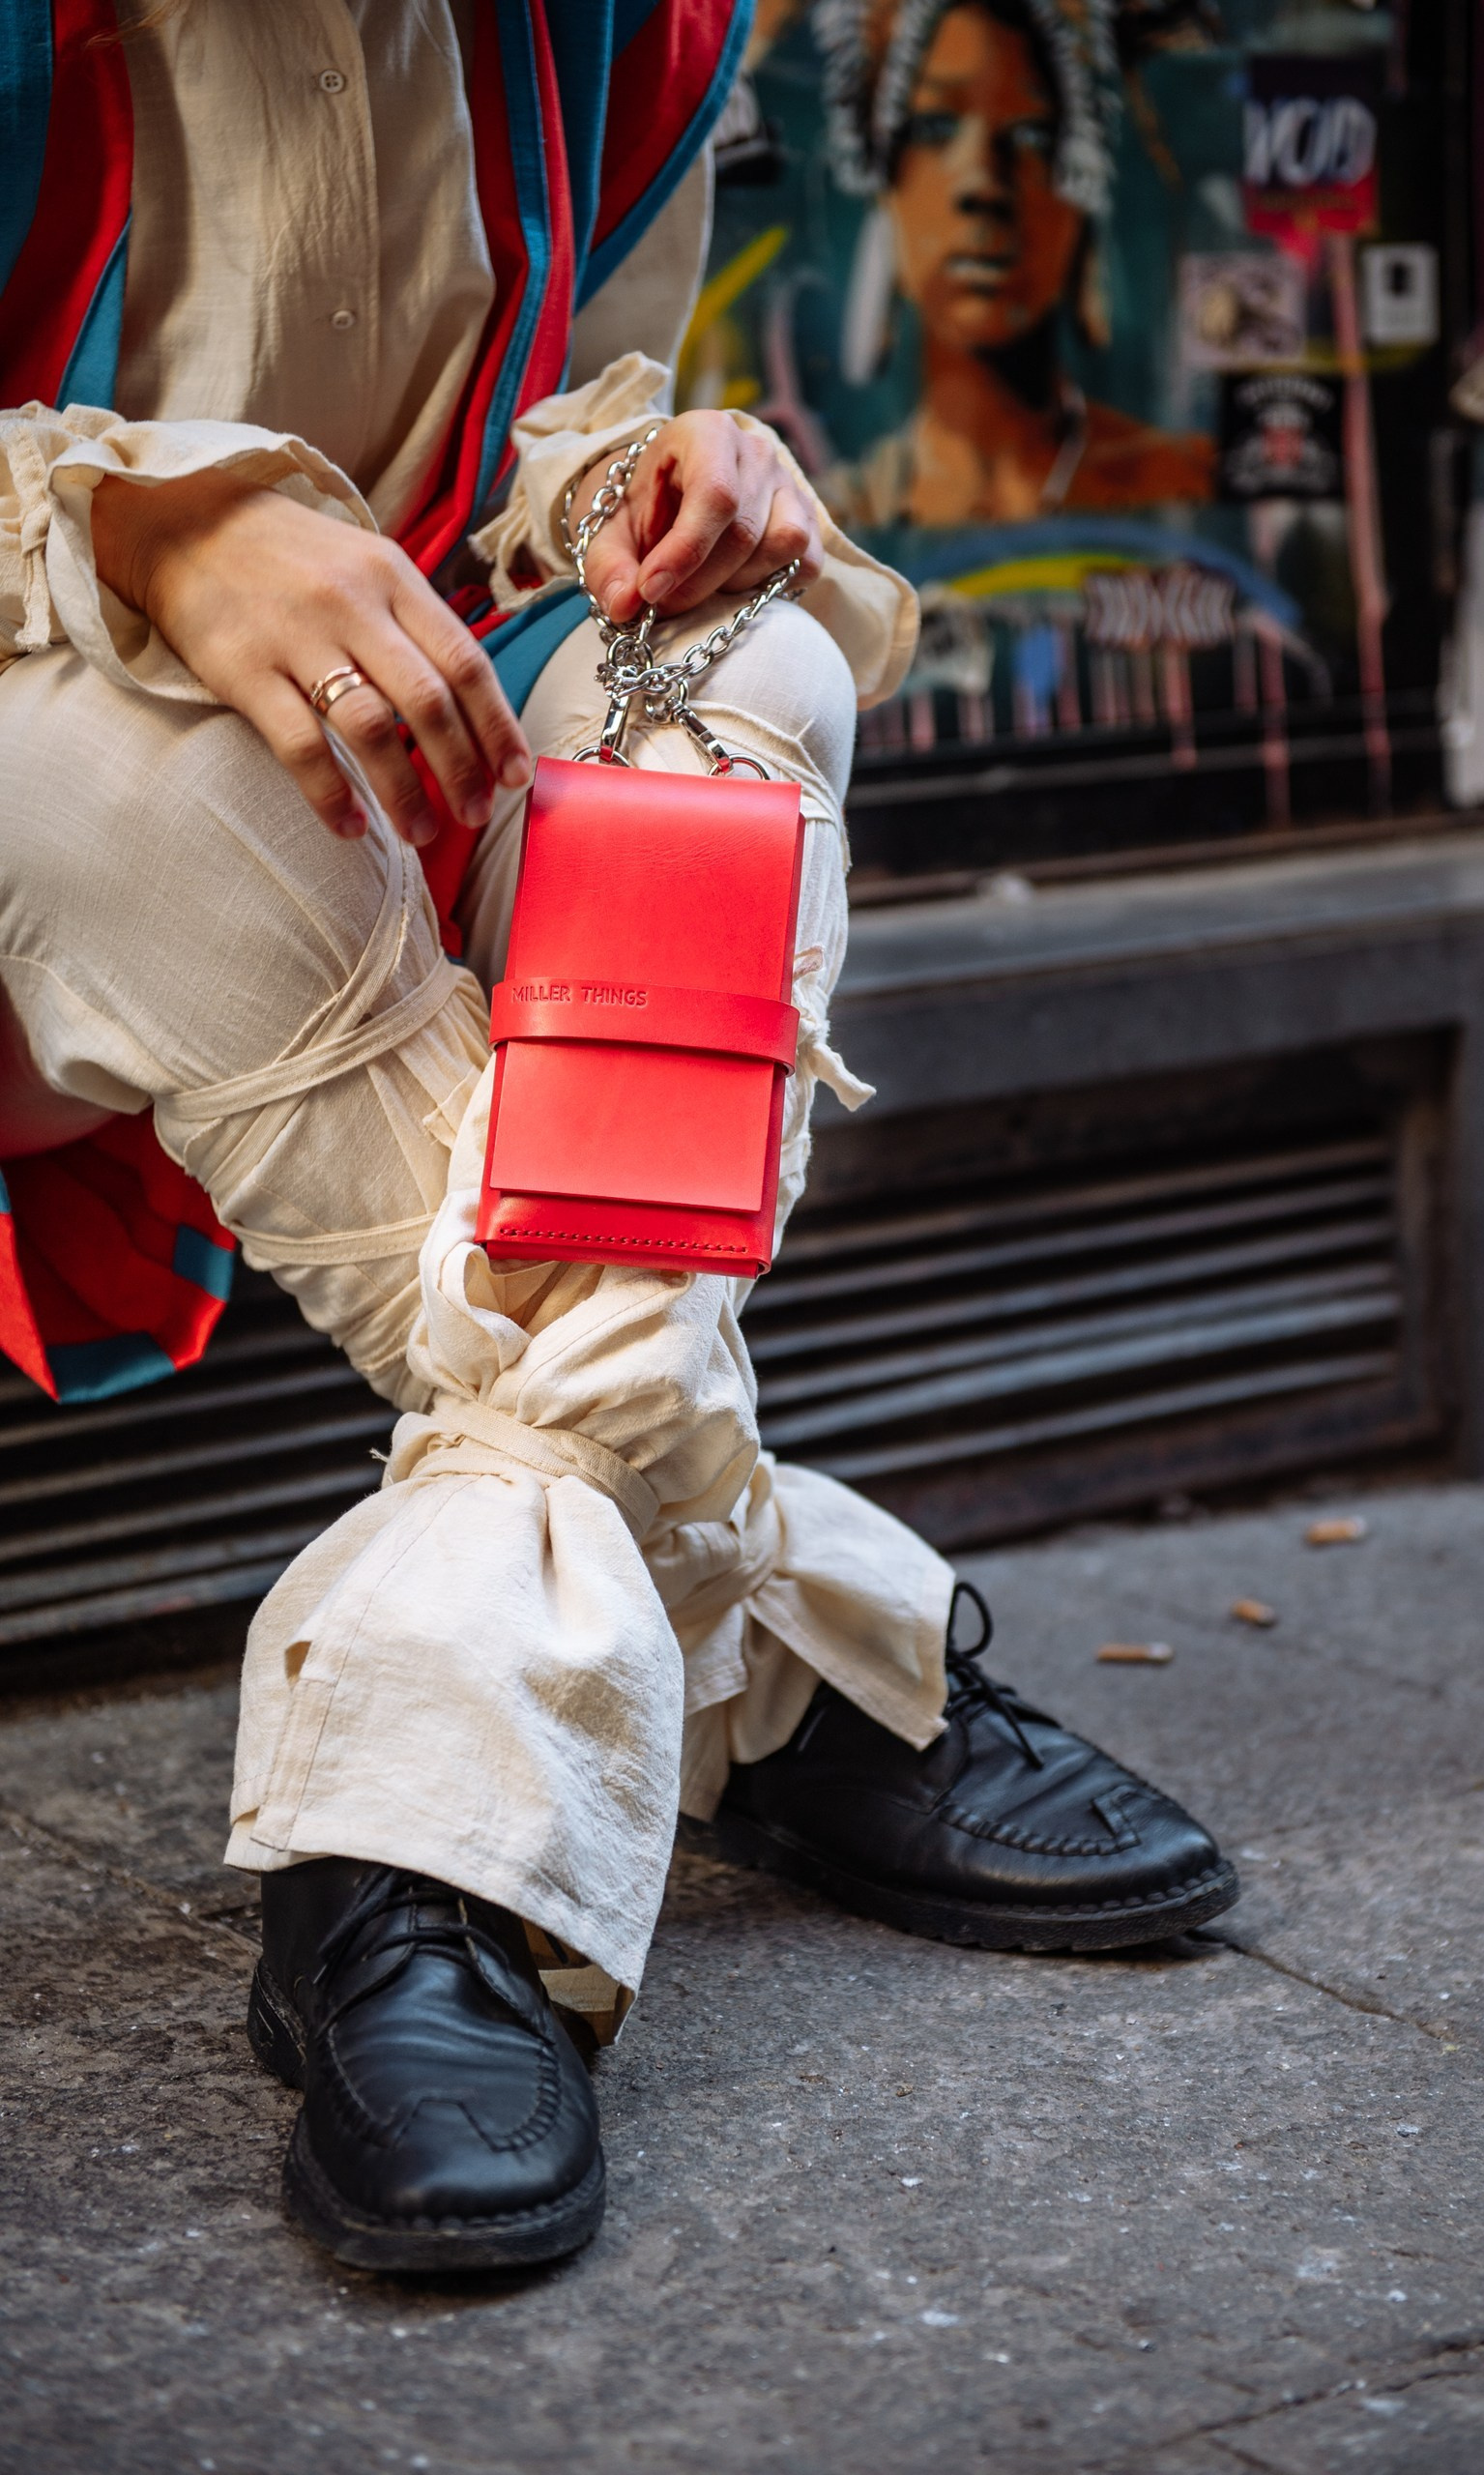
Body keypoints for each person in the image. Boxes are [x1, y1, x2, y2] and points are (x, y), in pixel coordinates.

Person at [0, 0, 1237, 2276]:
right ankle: (748, 1643)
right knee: (128, 777)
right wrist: (148, 525)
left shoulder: (617, 24)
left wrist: (653, 474)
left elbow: (563, 401)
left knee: (746, 669)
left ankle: (439, 1816)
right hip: (66, 822)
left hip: (393, 739)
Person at [816, 0, 1216, 526]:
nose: (983, 182)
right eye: (934, 128)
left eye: (1033, 137)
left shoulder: (1189, 482)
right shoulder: (826, 524)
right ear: (884, 184)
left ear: (1080, 191)